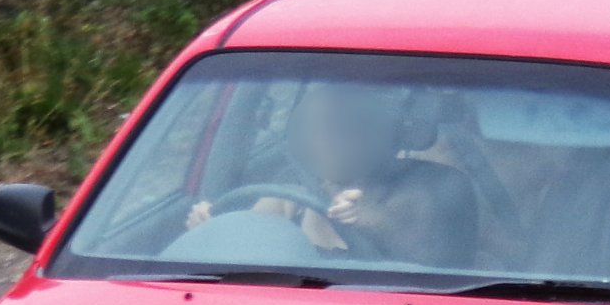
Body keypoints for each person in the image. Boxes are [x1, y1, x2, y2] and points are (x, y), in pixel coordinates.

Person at [186, 84, 477, 267]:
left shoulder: (426, 191)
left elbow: (427, 259)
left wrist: (368, 220)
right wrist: (212, 225)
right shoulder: (292, 194)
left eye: (340, 130)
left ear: (375, 134)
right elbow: (245, 232)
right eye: (316, 129)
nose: (325, 141)